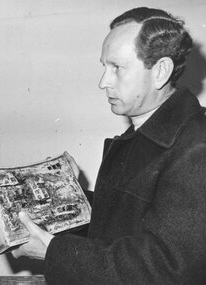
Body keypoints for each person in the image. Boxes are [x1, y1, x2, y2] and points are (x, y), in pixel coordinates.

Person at [12, 7, 206, 284]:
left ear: (161, 71)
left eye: (117, 68)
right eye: (104, 66)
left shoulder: (198, 147)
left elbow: (166, 267)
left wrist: (53, 251)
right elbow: (122, 222)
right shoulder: (142, 135)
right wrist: (59, 198)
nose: (103, 82)